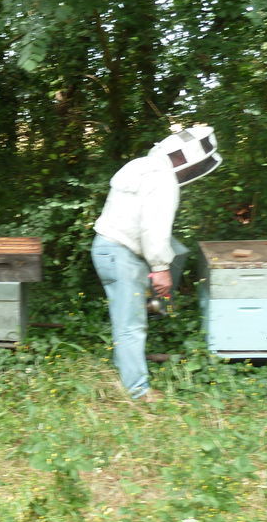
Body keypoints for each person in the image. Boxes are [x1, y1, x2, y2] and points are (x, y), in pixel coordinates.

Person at [91, 124, 222, 401]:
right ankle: (137, 391)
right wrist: (161, 270)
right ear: (187, 159)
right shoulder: (163, 178)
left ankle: (152, 311)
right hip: (121, 253)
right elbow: (153, 227)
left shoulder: (142, 165)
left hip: (106, 247)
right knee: (130, 325)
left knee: (176, 251)